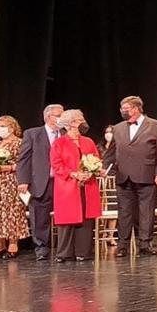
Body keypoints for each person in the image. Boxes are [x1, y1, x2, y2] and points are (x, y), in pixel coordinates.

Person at [107, 96, 157, 257]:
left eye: (126, 109)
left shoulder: (156, 126)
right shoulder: (118, 128)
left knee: (146, 211)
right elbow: (111, 152)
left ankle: (145, 244)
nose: (123, 112)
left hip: (146, 174)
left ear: (136, 108)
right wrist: (105, 169)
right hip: (123, 176)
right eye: (122, 109)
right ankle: (122, 245)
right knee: (124, 211)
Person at [50, 109, 100, 262]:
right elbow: (56, 164)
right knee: (68, 219)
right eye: (80, 119)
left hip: (88, 185)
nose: (83, 122)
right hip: (68, 186)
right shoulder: (59, 143)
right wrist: (73, 174)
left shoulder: (88, 141)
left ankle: (83, 252)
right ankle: (64, 253)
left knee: (86, 217)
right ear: (71, 124)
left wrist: (91, 172)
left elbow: (96, 159)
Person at [18, 104, 64, 261]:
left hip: (62, 182)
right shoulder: (33, 134)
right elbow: (24, 159)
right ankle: (41, 247)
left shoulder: (65, 134)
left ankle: (63, 248)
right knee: (39, 216)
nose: (61, 118)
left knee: (64, 215)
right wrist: (23, 180)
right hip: (40, 182)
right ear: (48, 117)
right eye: (58, 115)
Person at [0, 115, 30, 258]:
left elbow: (25, 164)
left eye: (4, 126)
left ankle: (13, 244)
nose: (1, 129)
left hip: (11, 182)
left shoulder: (20, 143)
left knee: (11, 211)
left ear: (12, 127)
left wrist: (7, 168)